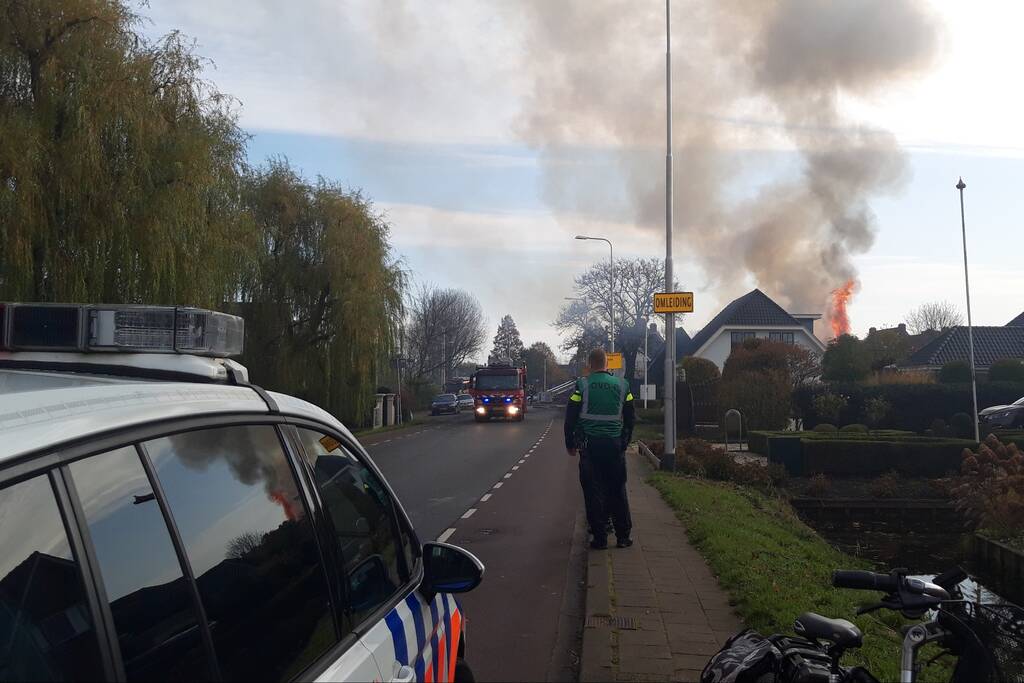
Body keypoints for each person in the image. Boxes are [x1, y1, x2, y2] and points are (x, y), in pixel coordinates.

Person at [564, 347, 635, 549]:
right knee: (617, 489)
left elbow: (571, 417)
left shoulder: (582, 385)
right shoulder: (623, 385)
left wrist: (570, 443)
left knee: (593, 491)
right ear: (606, 364)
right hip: (614, 446)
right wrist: (624, 441)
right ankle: (623, 536)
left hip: (590, 446)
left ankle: (600, 538)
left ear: (589, 364)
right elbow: (630, 417)